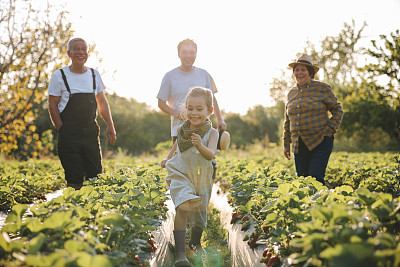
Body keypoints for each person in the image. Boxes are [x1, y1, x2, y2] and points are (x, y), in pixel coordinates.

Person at [48, 37, 116, 190]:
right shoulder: (59, 76)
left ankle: (94, 212)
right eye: (76, 49)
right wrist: (61, 128)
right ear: (69, 53)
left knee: (96, 177)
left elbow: (102, 103)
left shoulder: (94, 75)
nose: (80, 52)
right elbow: (52, 105)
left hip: (90, 135)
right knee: (74, 178)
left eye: (83, 49)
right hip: (69, 136)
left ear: (87, 53)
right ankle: (74, 211)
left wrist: (110, 126)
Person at [160, 87, 219, 266]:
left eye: (199, 109)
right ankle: (180, 254)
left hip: (201, 176)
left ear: (210, 111)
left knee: (199, 213)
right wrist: (167, 158)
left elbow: (210, 155)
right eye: (190, 108)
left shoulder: (212, 133)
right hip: (180, 173)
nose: (194, 113)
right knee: (184, 207)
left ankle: (195, 242)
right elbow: (177, 145)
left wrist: (200, 146)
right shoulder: (181, 129)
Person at [283, 54, 343, 185]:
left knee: (315, 178)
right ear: (294, 73)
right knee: (302, 181)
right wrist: (286, 144)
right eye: (297, 70)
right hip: (299, 144)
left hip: (320, 141)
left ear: (310, 73)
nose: (299, 73)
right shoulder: (291, 93)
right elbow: (288, 121)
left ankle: (321, 205)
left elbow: (338, 110)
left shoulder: (322, 88)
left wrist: (328, 130)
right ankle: (306, 206)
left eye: (303, 70)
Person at [157, 38, 226, 143]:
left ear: (196, 54)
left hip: (204, 130)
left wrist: (220, 119)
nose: (188, 56)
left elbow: (212, 99)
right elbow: (161, 103)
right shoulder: (169, 76)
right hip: (179, 131)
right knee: (179, 159)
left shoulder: (205, 74)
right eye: (184, 52)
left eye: (191, 52)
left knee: (206, 158)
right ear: (179, 54)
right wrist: (176, 113)